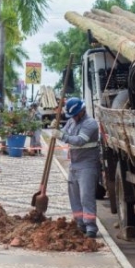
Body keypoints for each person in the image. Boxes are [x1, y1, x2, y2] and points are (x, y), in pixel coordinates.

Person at [52, 97, 100, 238]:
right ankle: (80, 223)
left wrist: (61, 135)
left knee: (86, 197)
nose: (72, 117)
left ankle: (91, 226)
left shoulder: (90, 124)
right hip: (74, 164)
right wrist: (57, 128)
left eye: (74, 114)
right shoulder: (72, 121)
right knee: (74, 197)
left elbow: (79, 140)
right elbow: (64, 132)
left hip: (87, 165)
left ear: (81, 111)